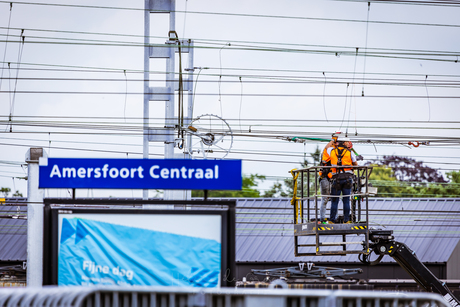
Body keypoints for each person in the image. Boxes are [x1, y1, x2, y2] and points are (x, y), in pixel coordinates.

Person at [326, 136, 358, 223]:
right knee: (346, 200)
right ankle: (346, 220)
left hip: (336, 178)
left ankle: (332, 220)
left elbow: (327, 147)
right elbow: (355, 164)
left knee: (334, 200)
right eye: (347, 142)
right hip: (347, 178)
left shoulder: (331, 151)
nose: (348, 143)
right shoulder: (350, 152)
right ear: (344, 143)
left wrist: (333, 139)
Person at [318, 139, 335, 224]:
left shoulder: (335, 152)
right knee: (325, 199)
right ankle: (322, 219)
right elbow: (327, 147)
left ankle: (333, 218)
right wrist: (333, 140)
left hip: (331, 179)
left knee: (334, 199)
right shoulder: (327, 151)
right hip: (325, 178)